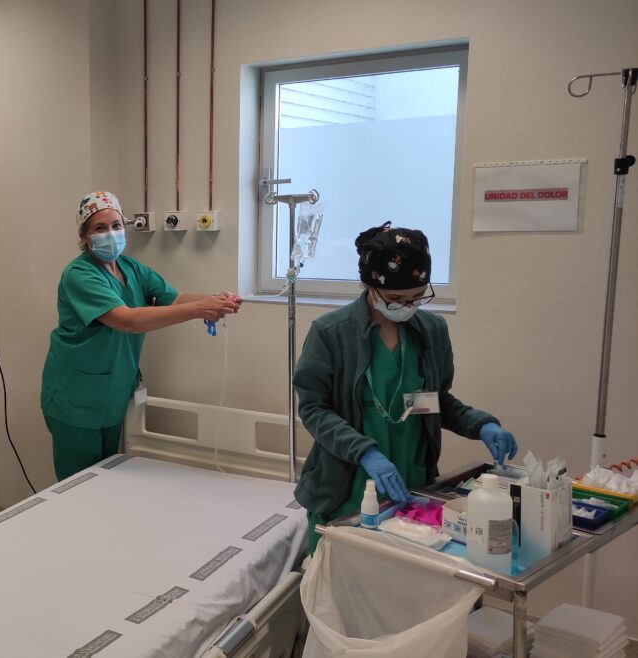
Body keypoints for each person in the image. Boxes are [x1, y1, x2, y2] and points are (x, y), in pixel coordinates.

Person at [293, 222, 518, 552]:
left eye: (417, 297)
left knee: (406, 574)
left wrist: (480, 424)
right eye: (396, 299)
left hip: (411, 482)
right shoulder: (331, 333)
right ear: (369, 286)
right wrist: (364, 451)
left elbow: (434, 402)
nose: (408, 307)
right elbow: (314, 409)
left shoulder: (431, 331)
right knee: (343, 575)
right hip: (347, 485)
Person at [41, 191, 241, 480]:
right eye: (100, 228)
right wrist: (201, 309)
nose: (111, 234)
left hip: (111, 394)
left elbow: (174, 298)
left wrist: (215, 300)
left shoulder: (131, 268)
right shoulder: (79, 275)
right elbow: (127, 320)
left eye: (116, 225)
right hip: (75, 398)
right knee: (77, 487)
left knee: (105, 480)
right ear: (84, 235)